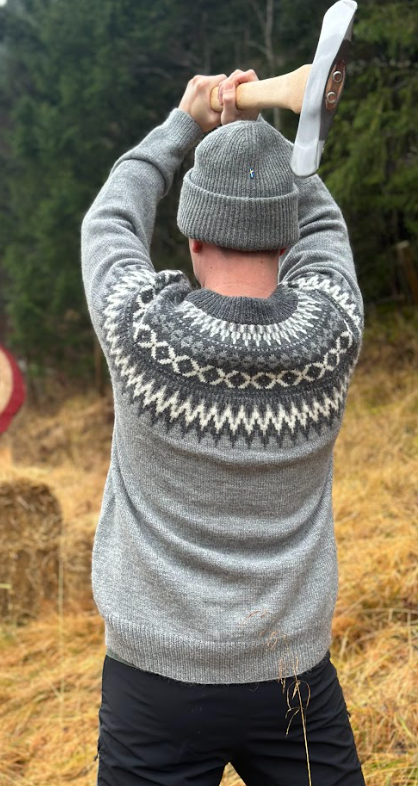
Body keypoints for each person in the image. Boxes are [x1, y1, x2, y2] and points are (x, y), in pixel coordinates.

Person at [80, 68, 366, 786]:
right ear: (283, 235)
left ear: (193, 239)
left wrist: (187, 119)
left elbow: (109, 220)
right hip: (290, 676)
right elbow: (324, 228)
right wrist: (267, 128)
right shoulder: (334, 332)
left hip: (153, 686)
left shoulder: (139, 333)